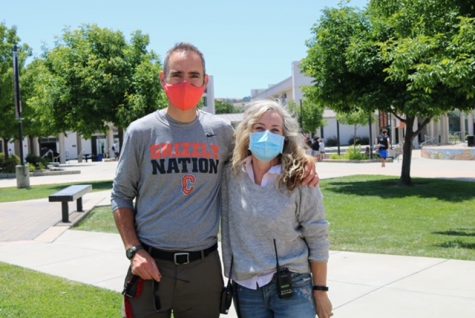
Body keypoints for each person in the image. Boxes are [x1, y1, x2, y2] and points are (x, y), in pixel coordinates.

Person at [111, 42, 319, 318]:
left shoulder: (221, 132)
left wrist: (303, 160)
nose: (186, 81)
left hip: (203, 266)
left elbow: (261, 151)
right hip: (150, 262)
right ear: (163, 79)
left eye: (194, 75)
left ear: (204, 82)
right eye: (177, 74)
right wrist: (133, 250)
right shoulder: (140, 132)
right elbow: (120, 195)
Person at [221, 100, 332, 318]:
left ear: (284, 138)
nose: (266, 136)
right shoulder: (230, 175)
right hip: (246, 289)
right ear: (246, 132)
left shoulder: (300, 178)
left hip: (292, 284)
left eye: (274, 130)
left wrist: (320, 291)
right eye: (259, 128)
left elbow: (317, 234)